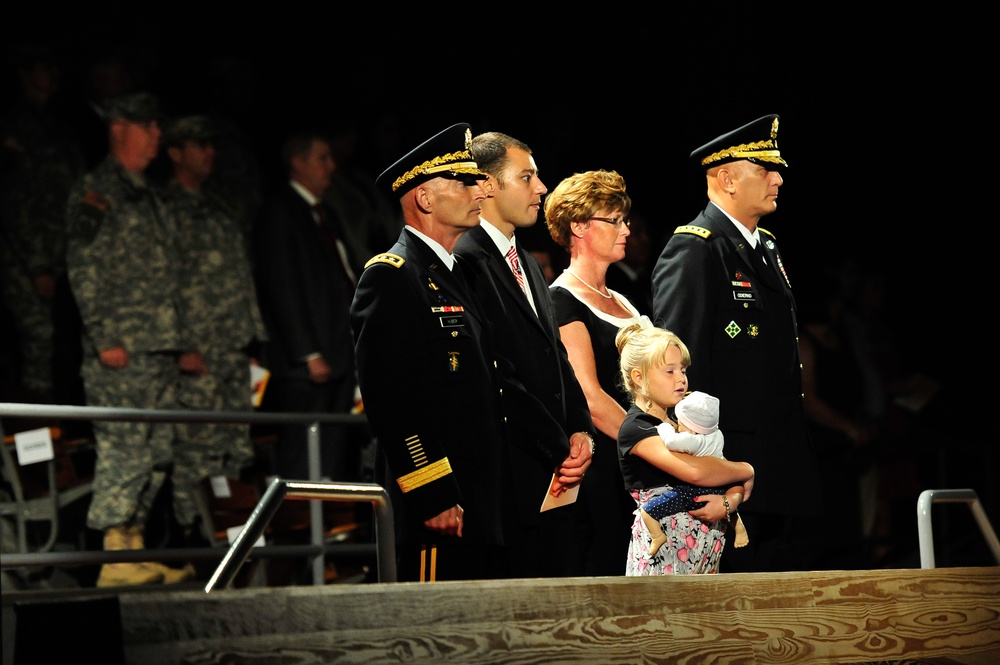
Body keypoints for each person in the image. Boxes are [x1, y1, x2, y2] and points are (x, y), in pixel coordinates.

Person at [352, 122, 543, 582]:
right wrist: (431, 490)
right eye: (464, 181)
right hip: (439, 502)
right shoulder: (393, 275)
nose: (480, 191)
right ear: (424, 198)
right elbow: (393, 400)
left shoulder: (459, 272)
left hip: (481, 493)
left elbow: (495, 377)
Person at [650, 114, 822, 572]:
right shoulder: (696, 249)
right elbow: (678, 375)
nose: (779, 178)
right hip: (728, 468)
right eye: (765, 169)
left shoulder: (765, 246)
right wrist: (705, 473)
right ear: (727, 178)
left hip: (773, 460)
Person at [65, 92, 192, 586]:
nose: (158, 135)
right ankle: (114, 556)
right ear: (120, 128)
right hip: (121, 350)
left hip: (158, 345)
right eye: (149, 126)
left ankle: (132, 548)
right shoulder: (96, 190)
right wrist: (103, 336)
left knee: (157, 450)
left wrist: (180, 341)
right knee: (125, 448)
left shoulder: (150, 194)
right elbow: (83, 264)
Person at [453, 131, 594, 577]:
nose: (541, 188)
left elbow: (555, 357)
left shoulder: (527, 262)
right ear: (488, 185)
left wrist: (580, 430)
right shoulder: (466, 258)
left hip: (552, 469)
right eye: (527, 177)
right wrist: (557, 444)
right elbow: (497, 371)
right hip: (511, 471)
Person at [161, 114, 269, 549]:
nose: (209, 153)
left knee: (235, 447)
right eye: (198, 145)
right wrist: (181, 345)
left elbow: (240, 278)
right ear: (175, 153)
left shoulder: (220, 208)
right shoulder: (163, 210)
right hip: (197, 351)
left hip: (231, 347)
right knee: (198, 450)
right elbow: (159, 281)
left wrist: (252, 339)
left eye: (211, 145)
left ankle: (227, 539)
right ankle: (192, 541)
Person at [545, 169, 645, 575]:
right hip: (605, 468)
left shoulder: (625, 300)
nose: (626, 229)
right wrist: (658, 448)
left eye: (625, 219)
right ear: (579, 226)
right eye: (615, 219)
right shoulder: (562, 299)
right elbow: (591, 397)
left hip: (638, 461)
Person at [253, 130, 362, 484]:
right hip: (310, 358)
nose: (331, 167)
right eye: (322, 159)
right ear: (297, 163)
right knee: (303, 448)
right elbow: (282, 287)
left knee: (330, 446)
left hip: (339, 347)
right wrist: (307, 352)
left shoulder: (323, 211)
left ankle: (325, 523)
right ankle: (298, 524)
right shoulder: (280, 211)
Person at [615, 322, 754, 575]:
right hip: (665, 560)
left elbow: (722, 469)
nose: (681, 378)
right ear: (639, 377)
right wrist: (746, 469)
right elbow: (697, 473)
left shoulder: (685, 423)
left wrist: (729, 501)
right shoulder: (637, 429)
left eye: (683, 370)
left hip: (704, 553)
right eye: (670, 371)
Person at [0, 41, 86, 407]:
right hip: (29, 260)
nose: (52, 75)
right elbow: (14, 201)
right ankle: (35, 448)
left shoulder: (60, 126)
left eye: (55, 68)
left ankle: (58, 439)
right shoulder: (15, 124)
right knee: (38, 344)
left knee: (63, 347)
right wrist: (36, 266)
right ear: (25, 74)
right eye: (42, 67)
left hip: (65, 254)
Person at [639, 390, 732, 557]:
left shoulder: (694, 441)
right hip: (718, 490)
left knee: (647, 511)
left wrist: (664, 426)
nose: (678, 426)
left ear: (693, 430)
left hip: (693, 492)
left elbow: (670, 441)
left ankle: (657, 536)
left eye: (681, 424)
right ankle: (739, 527)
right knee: (730, 505)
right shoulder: (718, 435)